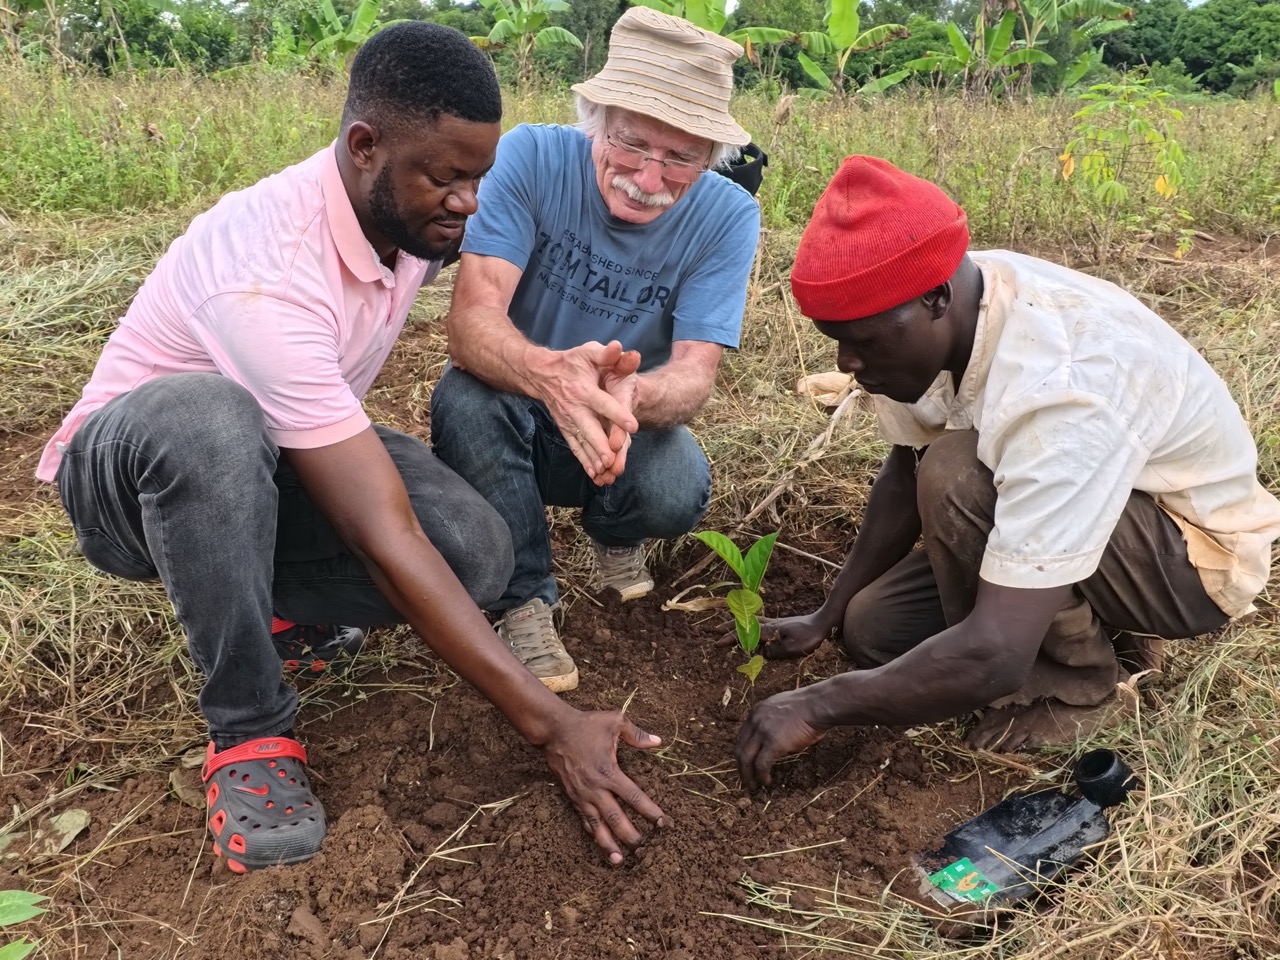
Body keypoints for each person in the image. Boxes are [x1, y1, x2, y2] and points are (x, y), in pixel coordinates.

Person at [38, 22, 665, 874]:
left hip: (270, 460)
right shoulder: (267, 270)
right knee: (208, 415)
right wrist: (551, 725)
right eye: (446, 178)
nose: (468, 201)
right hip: (133, 487)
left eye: (477, 177)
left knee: (475, 557)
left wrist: (558, 367)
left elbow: (483, 313)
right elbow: (380, 532)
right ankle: (248, 732)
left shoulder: (404, 218)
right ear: (364, 146)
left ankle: (278, 608)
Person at [735, 156, 1280, 789]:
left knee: (957, 474)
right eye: (836, 341)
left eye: (864, 342)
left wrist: (816, 704)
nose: (847, 362)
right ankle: (1099, 631)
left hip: (1185, 559)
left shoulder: (1064, 387)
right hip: (1094, 519)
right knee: (875, 630)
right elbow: (901, 473)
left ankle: (1078, 690)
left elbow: (992, 652)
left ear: (936, 300)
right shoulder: (918, 310)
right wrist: (828, 613)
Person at [432, 6, 762, 693]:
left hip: (617, 424)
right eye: (632, 144)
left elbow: (697, 372)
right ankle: (522, 598)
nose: (648, 177)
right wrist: (551, 375)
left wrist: (633, 396)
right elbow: (471, 323)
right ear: (597, 117)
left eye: (681, 158)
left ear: (712, 156)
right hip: (517, 405)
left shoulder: (729, 217)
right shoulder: (531, 157)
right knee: (464, 400)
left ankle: (614, 534)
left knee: (677, 484)